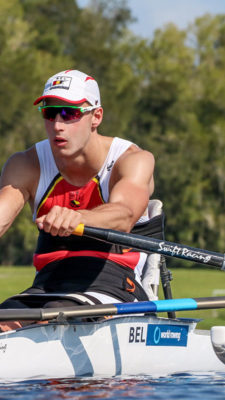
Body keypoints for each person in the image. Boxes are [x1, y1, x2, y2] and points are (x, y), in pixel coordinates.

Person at [0, 69, 155, 330]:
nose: (58, 125)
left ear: (96, 116)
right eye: (50, 113)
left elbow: (125, 213)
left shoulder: (133, 160)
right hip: (47, 285)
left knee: (55, 316)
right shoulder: (26, 163)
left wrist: (79, 217)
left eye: (70, 114)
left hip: (114, 283)